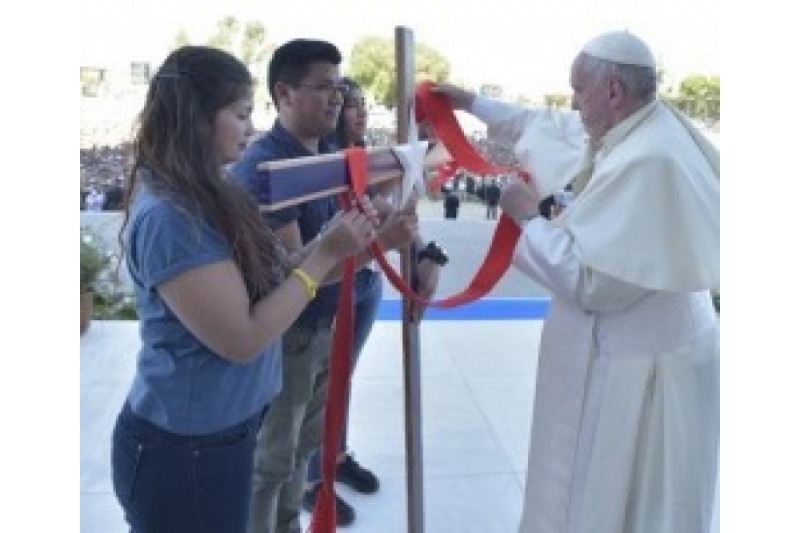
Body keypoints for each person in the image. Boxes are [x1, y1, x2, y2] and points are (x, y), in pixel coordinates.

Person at [434, 30, 719, 533]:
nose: (572, 103)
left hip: (641, 369)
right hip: (648, 348)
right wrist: (469, 102)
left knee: (619, 501)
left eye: (579, 90)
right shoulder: (642, 125)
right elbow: (548, 125)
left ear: (613, 91)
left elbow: (594, 284)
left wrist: (527, 218)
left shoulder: (650, 161)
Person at [110, 45, 377, 533]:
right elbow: (243, 336)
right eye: (241, 114)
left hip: (221, 435)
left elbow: (274, 279)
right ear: (197, 120)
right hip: (185, 451)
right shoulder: (172, 216)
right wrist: (323, 254)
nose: (252, 128)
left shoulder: (211, 191)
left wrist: (341, 246)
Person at [230, 39, 435, 532]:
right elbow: (299, 274)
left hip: (323, 326)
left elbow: (364, 221)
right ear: (284, 92)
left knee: (303, 450)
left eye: (339, 88)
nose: (337, 99)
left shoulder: (330, 156)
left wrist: (410, 239)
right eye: (323, 88)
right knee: (275, 458)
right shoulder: (268, 168)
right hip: (290, 333)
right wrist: (379, 245)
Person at [301, 76, 382, 516]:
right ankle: (312, 478)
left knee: (342, 377)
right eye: (352, 105)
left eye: (362, 104)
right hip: (337, 281)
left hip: (367, 278)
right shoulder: (323, 162)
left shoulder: (362, 157)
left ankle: (336, 457)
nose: (360, 111)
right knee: (323, 383)